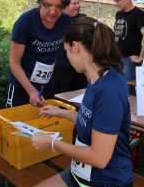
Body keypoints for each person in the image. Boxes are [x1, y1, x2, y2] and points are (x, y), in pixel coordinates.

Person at [31, 17, 133, 187]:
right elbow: (90, 120)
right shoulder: (95, 78)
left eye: (67, 52)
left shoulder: (110, 89)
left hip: (106, 181)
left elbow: (99, 158)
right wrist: (62, 112)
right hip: (79, 174)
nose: (68, 58)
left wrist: (51, 143)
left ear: (75, 47)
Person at [6, 0, 71, 107]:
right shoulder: (25, 23)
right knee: (17, 125)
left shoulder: (65, 21)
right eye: (48, 5)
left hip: (46, 85)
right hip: (22, 85)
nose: (53, 12)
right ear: (41, 1)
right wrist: (31, 91)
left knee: (44, 124)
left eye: (59, 6)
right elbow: (14, 63)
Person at [113, 0, 144, 81]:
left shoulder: (138, 14)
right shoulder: (119, 14)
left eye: (118, 0)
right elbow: (118, 35)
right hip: (116, 58)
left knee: (128, 90)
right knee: (117, 87)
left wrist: (141, 57)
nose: (116, 3)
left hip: (129, 61)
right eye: (115, 1)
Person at [51, 0, 87, 94]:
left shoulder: (83, 18)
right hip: (61, 65)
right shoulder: (56, 20)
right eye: (74, 4)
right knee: (61, 94)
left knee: (79, 93)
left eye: (78, 3)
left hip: (80, 65)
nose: (78, 6)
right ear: (65, 5)